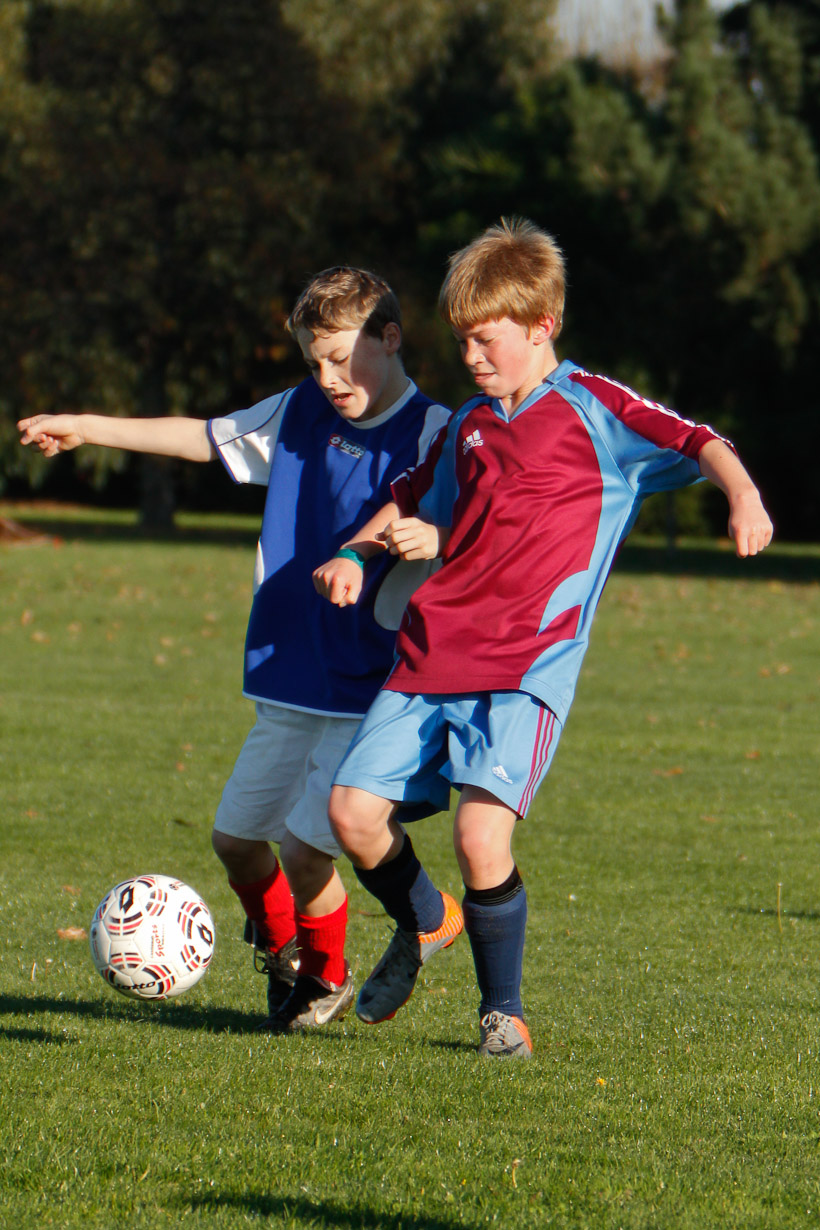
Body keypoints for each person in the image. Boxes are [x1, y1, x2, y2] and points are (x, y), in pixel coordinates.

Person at [313, 218, 774, 1059]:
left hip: (526, 665)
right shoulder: (468, 423)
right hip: (431, 652)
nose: (472, 357)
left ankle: (502, 1012)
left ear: (541, 325)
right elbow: (412, 498)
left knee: (480, 837)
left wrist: (742, 496)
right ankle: (427, 919)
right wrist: (356, 552)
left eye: (485, 340)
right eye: (462, 341)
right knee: (351, 814)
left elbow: (700, 440)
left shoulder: (597, 407)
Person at [18, 265, 452, 1032]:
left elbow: (440, 518)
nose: (327, 378)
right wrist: (87, 425)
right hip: (291, 674)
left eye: (340, 358)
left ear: (390, 338)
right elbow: (203, 436)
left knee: (305, 852)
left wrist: (377, 549)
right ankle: (285, 953)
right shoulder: (299, 410)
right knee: (237, 842)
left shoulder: (435, 431)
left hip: (372, 688)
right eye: (313, 361)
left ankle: (324, 977)